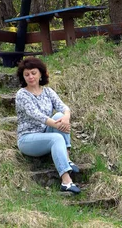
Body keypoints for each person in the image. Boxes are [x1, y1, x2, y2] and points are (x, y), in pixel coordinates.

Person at [15, 57, 81, 194]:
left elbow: (63, 107)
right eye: (26, 75)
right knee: (56, 137)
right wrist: (58, 126)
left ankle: (67, 159)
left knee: (59, 116)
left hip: (44, 132)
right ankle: (66, 181)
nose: (30, 77)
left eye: (33, 73)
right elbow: (36, 115)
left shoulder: (48, 91)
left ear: (40, 74)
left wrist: (66, 118)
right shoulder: (22, 95)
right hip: (28, 139)